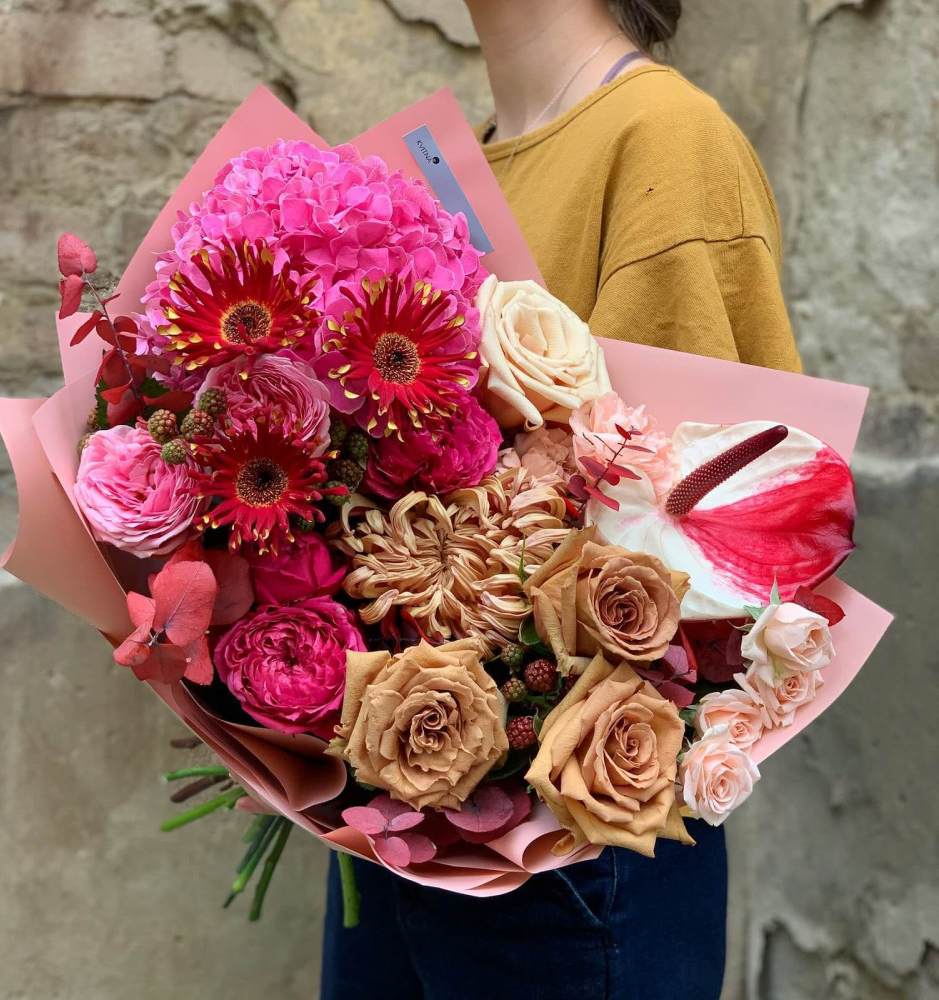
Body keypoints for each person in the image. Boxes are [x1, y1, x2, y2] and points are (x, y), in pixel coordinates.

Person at [322, 2, 802, 997]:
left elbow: (699, 568)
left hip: (574, 836)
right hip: (404, 809)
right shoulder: (459, 166)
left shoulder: (664, 142)